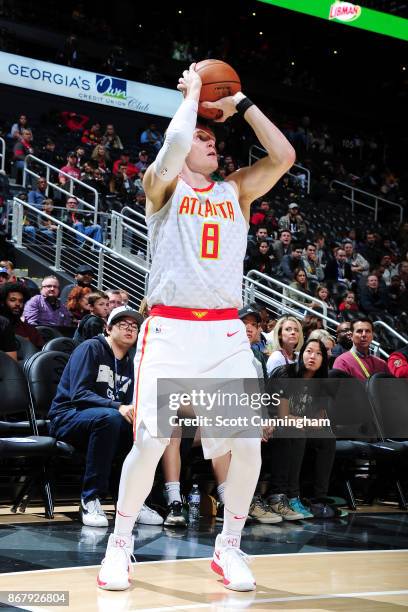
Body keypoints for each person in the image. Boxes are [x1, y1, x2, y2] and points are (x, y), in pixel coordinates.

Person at [98, 62, 295, 592]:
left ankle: (228, 547)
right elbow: (179, 137)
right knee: (150, 440)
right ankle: (120, 546)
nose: (211, 144)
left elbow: (284, 156)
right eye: (202, 139)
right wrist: (192, 95)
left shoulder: (236, 190)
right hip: (170, 332)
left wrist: (244, 104)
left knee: (248, 445)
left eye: (214, 138)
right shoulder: (160, 187)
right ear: (182, 148)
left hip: (227, 336)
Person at [49, 307, 161, 527]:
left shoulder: (132, 361)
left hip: (106, 420)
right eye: (123, 325)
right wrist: (117, 406)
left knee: (143, 426)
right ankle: (90, 498)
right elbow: (79, 394)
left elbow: (131, 403)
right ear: (108, 329)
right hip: (69, 416)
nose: (130, 329)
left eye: (134, 326)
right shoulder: (91, 348)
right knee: (110, 418)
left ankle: (131, 502)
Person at [266, 338, 333, 518]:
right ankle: (287, 495)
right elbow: (284, 416)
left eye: (318, 353)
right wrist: (308, 422)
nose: (313, 356)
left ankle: (318, 500)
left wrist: (312, 423)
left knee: (327, 439)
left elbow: (320, 421)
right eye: (309, 351)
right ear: (301, 354)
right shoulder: (286, 374)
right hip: (274, 426)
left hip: (300, 427)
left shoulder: (321, 383)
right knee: (294, 429)